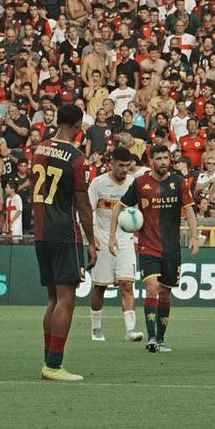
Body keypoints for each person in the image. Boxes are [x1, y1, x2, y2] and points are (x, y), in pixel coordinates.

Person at [110, 144, 201, 353]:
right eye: (158, 158)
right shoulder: (140, 183)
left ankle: (161, 338)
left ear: (170, 160)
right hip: (147, 246)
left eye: (165, 158)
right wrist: (112, 237)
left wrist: (195, 237)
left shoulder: (179, 182)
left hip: (171, 248)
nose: (163, 162)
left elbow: (189, 211)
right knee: (152, 287)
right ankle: (151, 338)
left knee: (165, 293)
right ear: (151, 161)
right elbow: (118, 208)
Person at [32, 103, 97, 382]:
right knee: (66, 299)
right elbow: (83, 206)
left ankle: (48, 361)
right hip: (64, 232)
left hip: (41, 232)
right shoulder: (77, 158)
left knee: (53, 299)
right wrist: (92, 241)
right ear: (79, 126)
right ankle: (54, 365)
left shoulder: (40, 148)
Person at [87, 147, 144, 343]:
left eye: (128, 166)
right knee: (99, 287)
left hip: (125, 240)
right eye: (120, 165)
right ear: (111, 164)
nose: (124, 170)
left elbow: (138, 212)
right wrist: (92, 237)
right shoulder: (98, 183)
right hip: (102, 238)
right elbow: (87, 211)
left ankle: (131, 329)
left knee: (127, 284)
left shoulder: (133, 183)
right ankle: (96, 328)